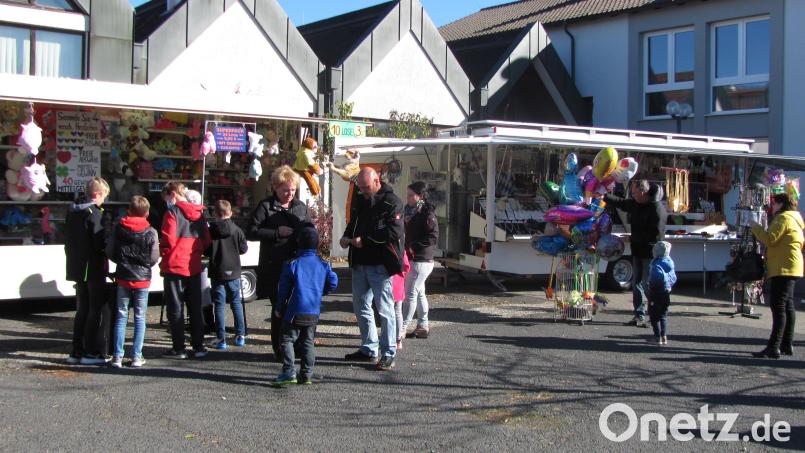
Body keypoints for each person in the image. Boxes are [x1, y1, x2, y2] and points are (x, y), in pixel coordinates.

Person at [340, 167, 404, 371]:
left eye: (366, 187)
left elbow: (393, 233)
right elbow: (354, 223)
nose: (363, 191)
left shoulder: (392, 203)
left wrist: (365, 240)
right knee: (361, 307)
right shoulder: (361, 198)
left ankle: (388, 352)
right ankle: (369, 348)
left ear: (377, 181)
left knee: (385, 310)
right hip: (360, 263)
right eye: (360, 187)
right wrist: (346, 236)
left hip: (380, 264)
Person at [247, 165, 310, 361]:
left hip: (297, 266)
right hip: (274, 266)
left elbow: (310, 230)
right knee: (279, 308)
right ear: (275, 187)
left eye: (292, 189)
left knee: (298, 307)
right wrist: (276, 233)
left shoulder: (300, 207)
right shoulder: (265, 207)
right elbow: (251, 231)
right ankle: (280, 348)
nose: (289, 194)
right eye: (285, 190)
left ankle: (297, 346)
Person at [272, 227, 338, 386]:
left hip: (295, 310)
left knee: (287, 339)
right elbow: (333, 282)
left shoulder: (292, 264)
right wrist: (321, 292)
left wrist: (279, 307)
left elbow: (283, 290)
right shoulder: (323, 263)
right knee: (308, 341)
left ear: (298, 243)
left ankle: (289, 371)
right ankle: (306, 373)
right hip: (313, 309)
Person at [106, 195, 159, 368]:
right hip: (142, 278)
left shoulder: (118, 228)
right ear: (147, 213)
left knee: (121, 316)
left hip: (123, 276)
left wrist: (122, 262)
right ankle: (136, 355)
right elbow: (153, 258)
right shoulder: (151, 231)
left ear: (129, 210)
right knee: (139, 317)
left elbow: (110, 250)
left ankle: (117, 356)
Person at [604, 179, 666, 328]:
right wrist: (604, 196)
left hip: (650, 253)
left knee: (647, 284)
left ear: (643, 192)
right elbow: (623, 203)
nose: (632, 195)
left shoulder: (656, 209)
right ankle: (639, 315)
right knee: (636, 284)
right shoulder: (637, 203)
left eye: (634, 192)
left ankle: (655, 315)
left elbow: (656, 236)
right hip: (637, 250)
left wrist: (631, 237)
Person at [160, 181, 211, 359]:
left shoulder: (172, 212)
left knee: (175, 308)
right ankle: (199, 346)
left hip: (174, 265)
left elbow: (168, 240)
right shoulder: (199, 213)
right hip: (194, 264)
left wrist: (164, 255)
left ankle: (179, 348)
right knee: (195, 307)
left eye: (166, 197)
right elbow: (206, 240)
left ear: (172, 194)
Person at [65, 177, 111, 365]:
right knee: (94, 309)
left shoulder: (73, 212)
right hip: (91, 266)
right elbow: (98, 243)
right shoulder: (94, 214)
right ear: (98, 195)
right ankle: (91, 352)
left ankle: (77, 350)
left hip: (76, 265)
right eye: (104, 197)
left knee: (81, 309)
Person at [750, 193, 803, 359]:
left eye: (774, 204)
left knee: (778, 306)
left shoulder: (782, 219)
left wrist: (755, 227)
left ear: (780, 204)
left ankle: (774, 347)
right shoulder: (795, 218)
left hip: (783, 267)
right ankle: (787, 344)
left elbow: (770, 239)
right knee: (788, 305)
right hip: (792, 265)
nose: (771, 207)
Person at [207, 200, 248, 350]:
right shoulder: (237, 230)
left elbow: (206, 249)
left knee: (219, 305)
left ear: (214, 214)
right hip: (234, 270)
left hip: (218, 271)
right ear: (230, 213)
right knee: (236, 302)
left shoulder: (210, 231)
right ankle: (240, 335)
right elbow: (243, 249)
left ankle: (221, 337)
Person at [401, 181, 439, 339]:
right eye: (407, 195)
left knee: (410, 293)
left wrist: (413, 247)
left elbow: (433, 236)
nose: (408, 198)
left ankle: (401, 327)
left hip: (421, 259)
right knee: (419, 293)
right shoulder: (409, 211)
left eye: (411, 195)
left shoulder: (427, 213)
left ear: (421, 196)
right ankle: (423, 325)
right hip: (413, 257)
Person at [647, 241, 676, 345]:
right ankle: (664, 336)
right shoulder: (669, 262)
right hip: (666, 292)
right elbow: (673, 278)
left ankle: (657, 336)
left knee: (653, 315)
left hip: (656, 293)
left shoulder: (656, 264)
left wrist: (650, 287)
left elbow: (655, 279)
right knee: (663, 315)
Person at [392, 252, 410, 351]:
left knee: (387, 313)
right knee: (398, 312)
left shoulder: (385, 248)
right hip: (399, 283)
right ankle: (398, 340)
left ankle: (390, 338)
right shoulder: (401, 251)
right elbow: (407, 267)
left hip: (388, 283)